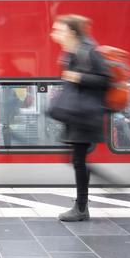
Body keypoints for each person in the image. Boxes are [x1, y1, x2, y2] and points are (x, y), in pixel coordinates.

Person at [49, 14, 110, 222]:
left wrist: (77, 76)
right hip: (76, 114)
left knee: (77, 160)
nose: (54, 33)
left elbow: (105, 78)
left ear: (72, 32)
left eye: (59, 30)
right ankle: (84, 203)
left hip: (84, 113)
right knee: (75, 160)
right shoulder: (72, 52)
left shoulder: (88, 50)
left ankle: (81, 208)